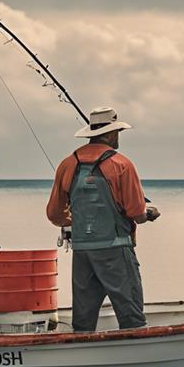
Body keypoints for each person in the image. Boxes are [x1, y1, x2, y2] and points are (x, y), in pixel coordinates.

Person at [46, 107, 160, 332]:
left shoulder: (67, 164)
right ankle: (135, 360)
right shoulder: (122, 164)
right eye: (117, 132)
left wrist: (79, 221)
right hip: (115, 251)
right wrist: (148, 214)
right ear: (110, 134)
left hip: (82, 253)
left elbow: (55, 215)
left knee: (83, 321)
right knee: (132, 318)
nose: (118, 137)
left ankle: (82, 357)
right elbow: (136, 213)